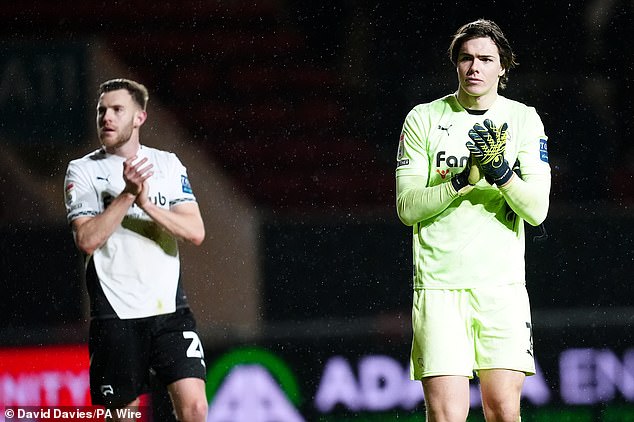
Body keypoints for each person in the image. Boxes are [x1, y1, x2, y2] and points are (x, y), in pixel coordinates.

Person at [395, 19, 551, 422]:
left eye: (486, 59)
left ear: (503, 67)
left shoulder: (524, 121)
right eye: (466, 58)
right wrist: (462, 180)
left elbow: (536, 210)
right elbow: (407, 208)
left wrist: (501, 174)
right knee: (447, 415)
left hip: (501, 289)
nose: (475, 67)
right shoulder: (423, 119)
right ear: (455, 65)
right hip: (439, 287)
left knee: (502, 409)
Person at [64, 78, 208, 422]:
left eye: (117, 110)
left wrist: (148, 204)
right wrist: (128, 195)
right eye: (102, 111)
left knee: (196, 407)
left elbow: (195, 231)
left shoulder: (168, 165)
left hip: (169, 311)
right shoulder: (83, 170)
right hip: (116, 316)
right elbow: (86, 239)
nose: (106, 118)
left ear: (139, 118)